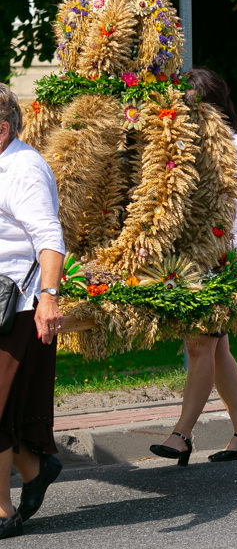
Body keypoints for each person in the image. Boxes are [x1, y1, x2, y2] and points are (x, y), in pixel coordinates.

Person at [149, 68, 237, 465]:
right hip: (198, 263)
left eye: (192, 109)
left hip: (229, 264)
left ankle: (181, 434)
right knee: (216, 351)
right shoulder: (190, 153)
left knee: (201, 344)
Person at [0, 83, 65, 538]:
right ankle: (32, 466)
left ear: (1, 128)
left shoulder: (23, 168)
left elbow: (48, 236)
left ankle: (2, 512)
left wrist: (48, 296)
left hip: (16, 303)